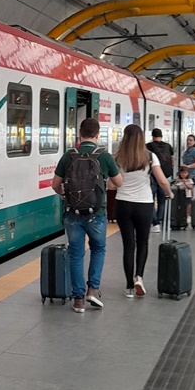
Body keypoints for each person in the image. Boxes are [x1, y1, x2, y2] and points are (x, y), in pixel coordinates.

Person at [51, 118, 122, 313]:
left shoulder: (69, 156)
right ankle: (93, 289)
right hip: (97, 213)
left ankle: (78, 300)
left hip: (72, 214)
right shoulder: (105, 157)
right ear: (98, 135)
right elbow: (119, 182)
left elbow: (55, 184)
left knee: (76, 254)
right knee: (98, 249)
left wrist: (65, 195)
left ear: (79, 134)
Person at [114, 124, 173, 299]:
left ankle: (129, 287)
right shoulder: (149, 156)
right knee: (143, 243)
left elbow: (112, 184)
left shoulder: (117, 157)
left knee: (128, 245)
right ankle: (139, 277)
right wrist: (169, 193)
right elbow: (162, 181)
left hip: (123, 204)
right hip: (144, 205)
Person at [146, 128, 174, 233]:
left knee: (151, 200)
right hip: (165, 176)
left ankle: (155, 223)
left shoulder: (148, 146)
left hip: (152, 177)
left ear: (152, 136)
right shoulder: (168, 146)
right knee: (162, 200)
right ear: (161, 136)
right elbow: (172, 161)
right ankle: (160, 220)